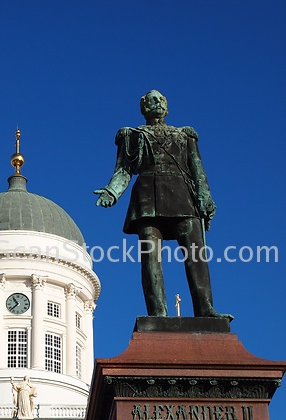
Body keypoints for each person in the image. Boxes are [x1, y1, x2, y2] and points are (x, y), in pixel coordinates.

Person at [94, 90, 232, 320]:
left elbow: (198, 170)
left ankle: (205, 309)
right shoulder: (133, 136)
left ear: (166, 107)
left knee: (196, 255)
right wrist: (112, 192)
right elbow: (124, 170)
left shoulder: (184, 136)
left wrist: (205, 197)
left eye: (160, 100)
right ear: (144, 108)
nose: (156, 103)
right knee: (150, 258)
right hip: (148, 197)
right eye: (151, 101)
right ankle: (158, 313)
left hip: (183, 197)